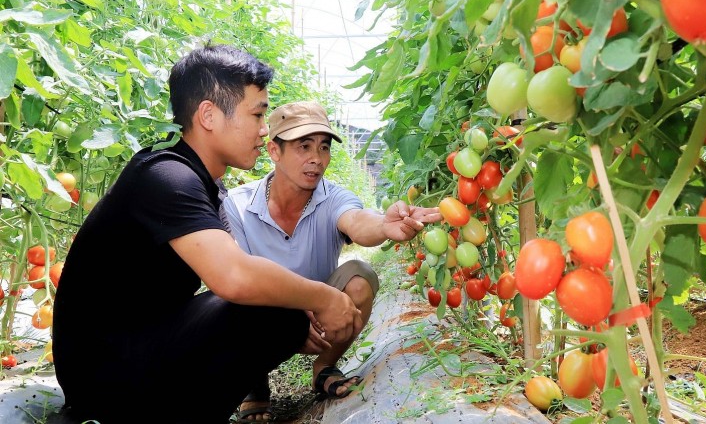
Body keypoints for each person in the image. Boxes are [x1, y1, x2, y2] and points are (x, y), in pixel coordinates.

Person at [51, 45, 362, 424]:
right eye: (258, 114)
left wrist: (299, 312)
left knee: (280, 310)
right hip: (103, 378)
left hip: (136, 349)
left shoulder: (201, 183)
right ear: (209, 115)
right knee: (275, 312)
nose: (265, 130)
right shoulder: (167, 175)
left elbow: (241, 271)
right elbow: (233, 277)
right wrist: (323, 298)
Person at [223, 101, 441, 422]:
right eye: (304, 146)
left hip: (320, 319)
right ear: (274, 151)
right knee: (232, 298)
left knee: (360, 276)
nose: (316, 158)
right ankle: (255, 382)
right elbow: (236, 279)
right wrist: (294, 314)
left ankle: (324, 367)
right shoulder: (237, 205)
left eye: (324, 147)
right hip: (263, 317)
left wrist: (383, 225)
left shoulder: (333, 197)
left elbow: (356, 220)